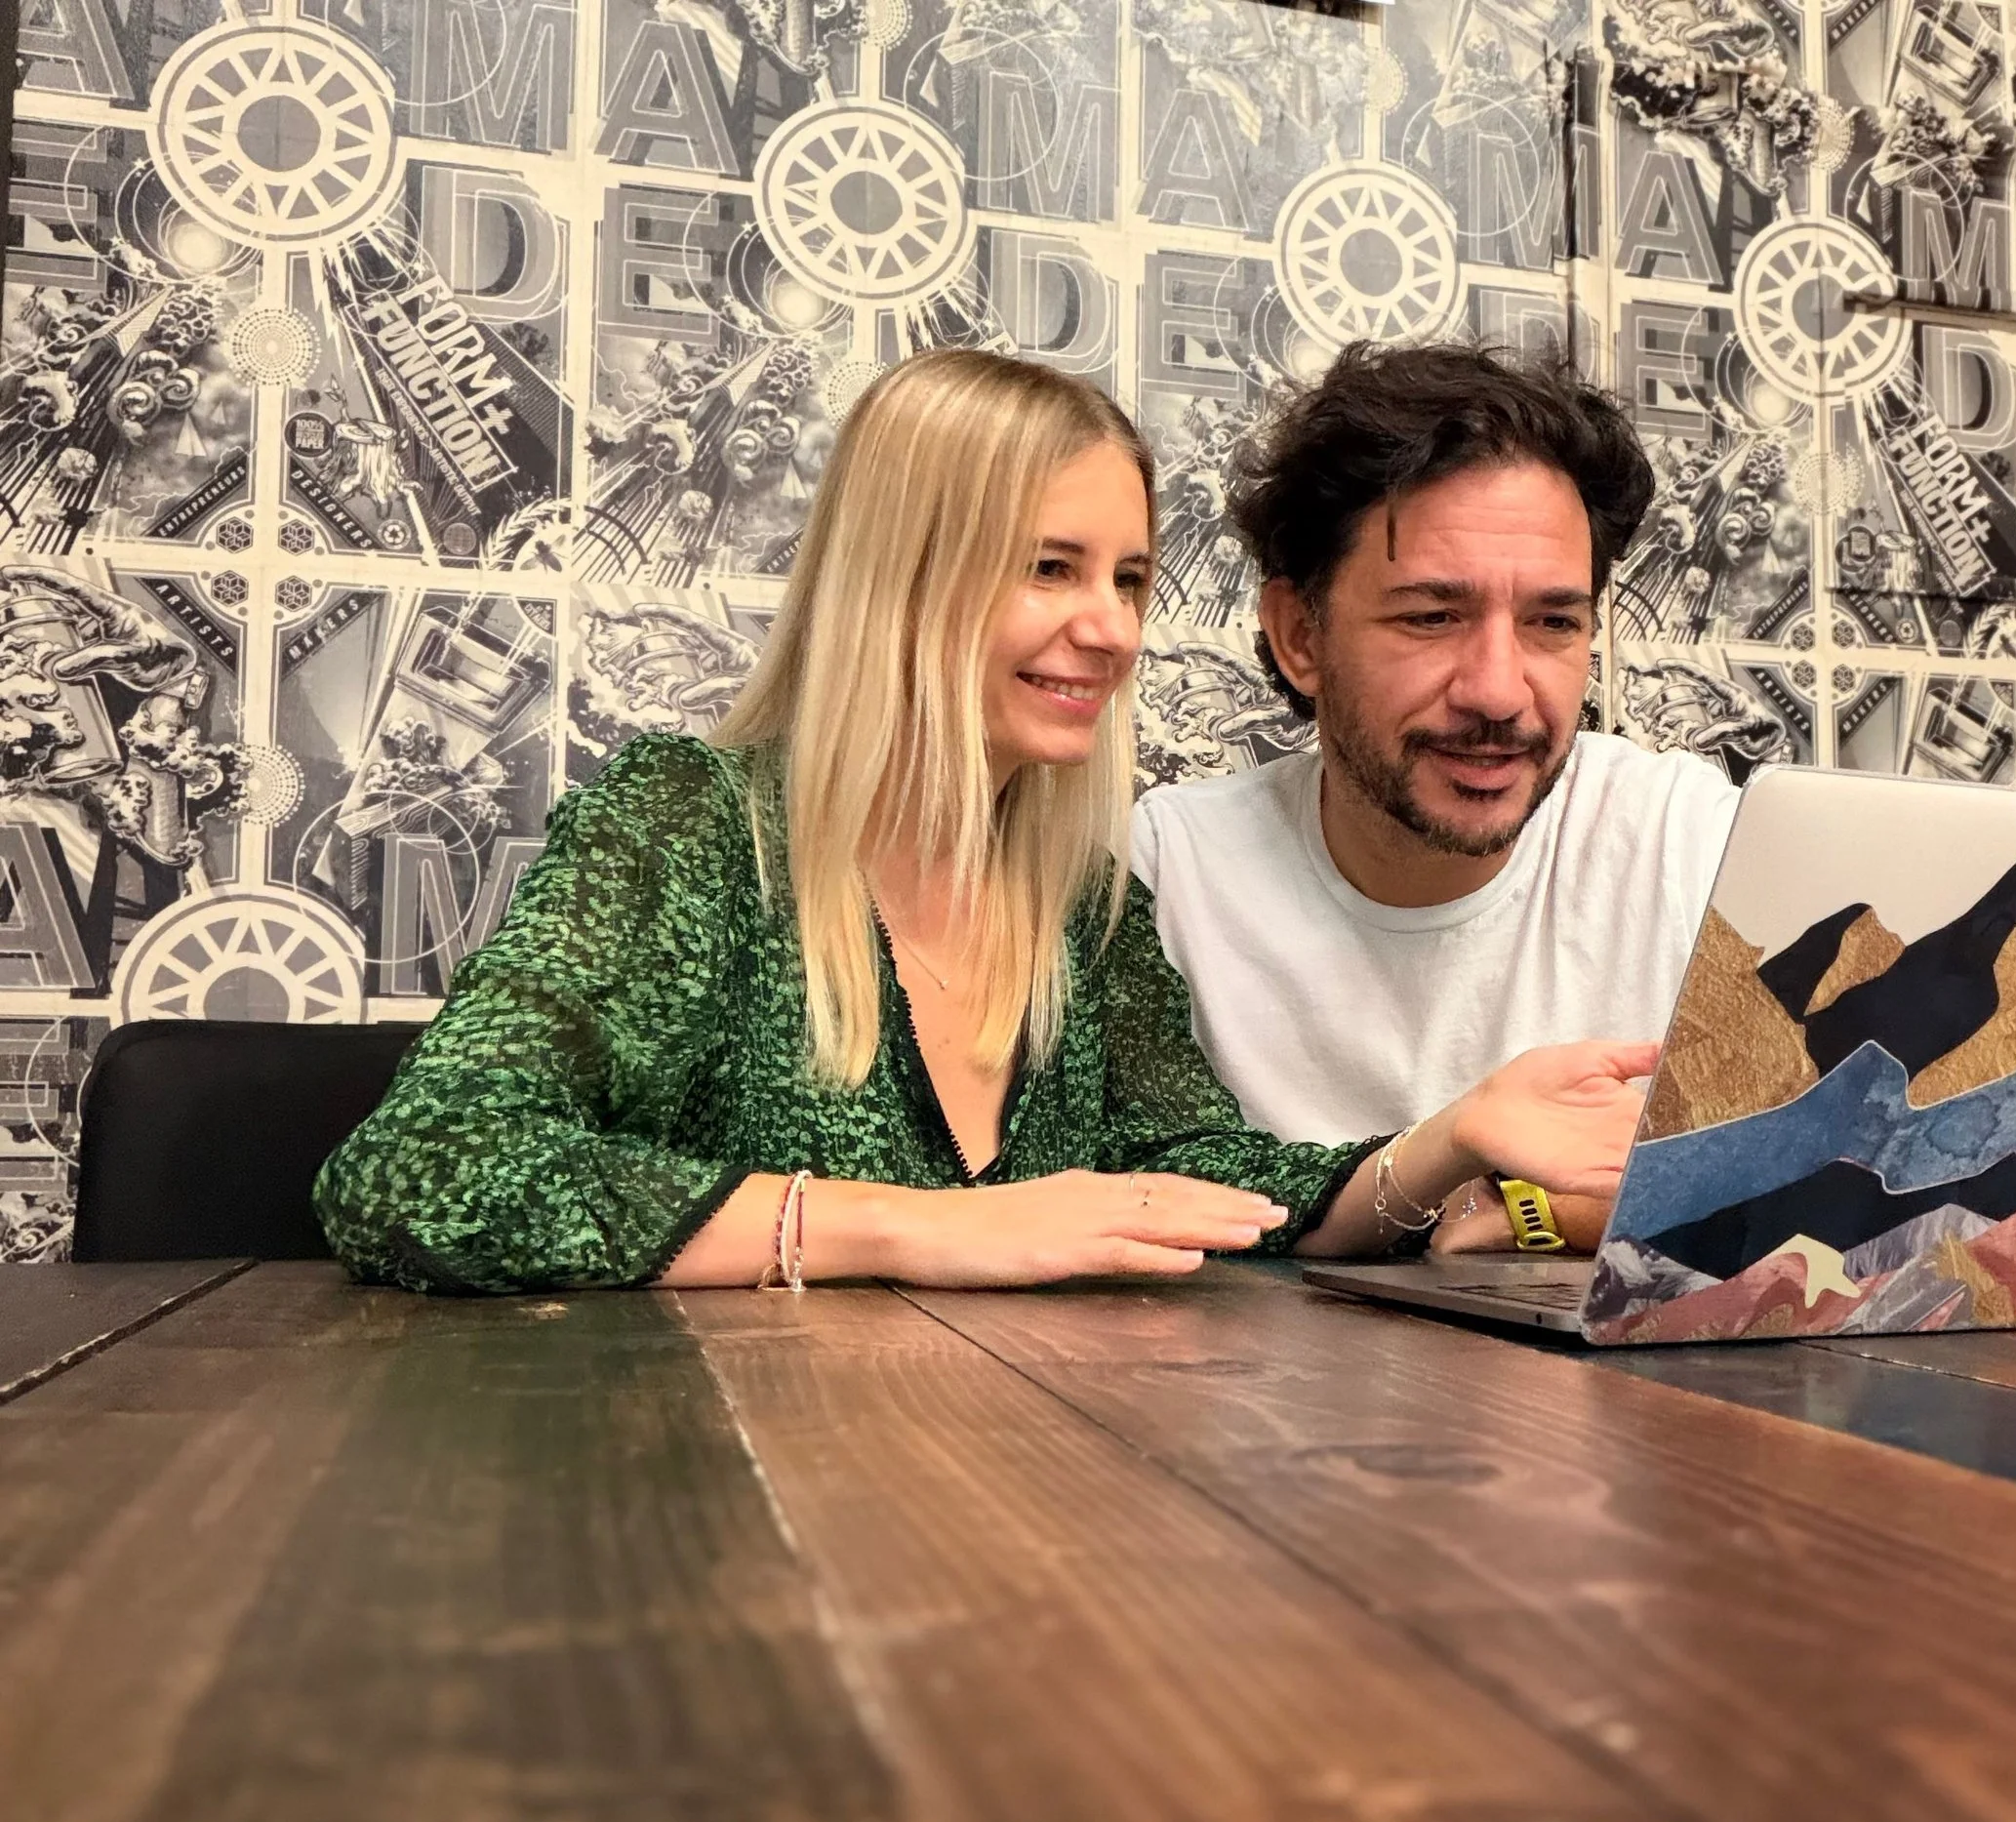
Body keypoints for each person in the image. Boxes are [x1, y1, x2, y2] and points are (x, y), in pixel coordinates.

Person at [315, 349, 1654, 1294]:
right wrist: (919, 1229)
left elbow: (1205, 1179)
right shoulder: (693, 829)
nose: (1111, 628)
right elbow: (428, 1165)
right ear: (904, 579)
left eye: (1128, 577)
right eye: (1049, 568)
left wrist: (1459, 1136)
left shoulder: (1079, 901)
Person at [1131, 342, 1741, 1254]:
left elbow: (1875, 1170)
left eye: (1552, 623)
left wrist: (1516, 1213)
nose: (1499, 691)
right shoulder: (1170, 873)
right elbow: (1117, 1193)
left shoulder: (1686, 840)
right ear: (1300, 634)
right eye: (1431, 617)